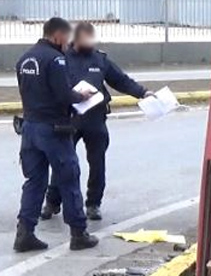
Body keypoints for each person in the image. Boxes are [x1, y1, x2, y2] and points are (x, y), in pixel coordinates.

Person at [41, 23, 153, 222]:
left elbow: (121, 80)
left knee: (97, 163)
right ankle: (52, 202)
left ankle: (93, 204)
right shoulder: (62, 59)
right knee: (63, 162)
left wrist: (142, 92)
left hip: (95, 118)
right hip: (70, 118)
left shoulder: (100, 59)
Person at [14, 18, 99, 253]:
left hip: (30, 128)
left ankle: (25, 233)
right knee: (69, 178)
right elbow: (64, 95)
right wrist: (82, 96)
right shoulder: (55, 59)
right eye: (67, 38)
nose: (68, 43)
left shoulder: (25, 59)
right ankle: (78, 233)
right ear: (58, 36)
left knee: (34, 181)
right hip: (53, 129)